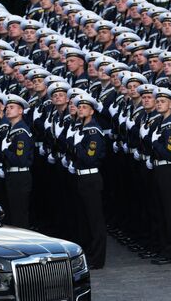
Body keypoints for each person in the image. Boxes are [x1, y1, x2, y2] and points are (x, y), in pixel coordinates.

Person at [70, 93, 107, 269]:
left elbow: (90, 159)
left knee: (95, 220)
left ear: (92, 111)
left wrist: (77, 146)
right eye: (79, 107)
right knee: (84, 219)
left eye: (84, 107)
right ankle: (90, 254)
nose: (80, 109)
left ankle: (98, 259)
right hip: (81, 176)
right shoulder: (81, 128)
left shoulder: (93, 131)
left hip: (91, 177)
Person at [149, 87, 171, 265]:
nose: (159, 104)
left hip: (169, 170)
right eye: (158, 101)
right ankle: (166, 249)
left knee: (170, 212)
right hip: (161, 170)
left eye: (163, 101)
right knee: (162, 211)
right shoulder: (162, 123)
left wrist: (155, 143)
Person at [2, 94, 34, 228]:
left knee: (20, 215)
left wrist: (5, 151)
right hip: (13, 175)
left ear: (20, 111)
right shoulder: (12, 130)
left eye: (12, 107)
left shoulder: (21, 132)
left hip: (20, 176)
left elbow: (20, 160)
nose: (8, 110)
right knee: (14, 214)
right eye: (7, 107)